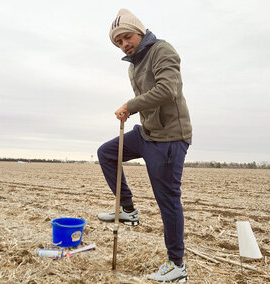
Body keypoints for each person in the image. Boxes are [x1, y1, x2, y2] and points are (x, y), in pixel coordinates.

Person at [97, 8, 192, 282]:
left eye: (127, 37)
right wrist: (134, 109)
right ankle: (128, 209)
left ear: (139, 31)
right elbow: (148, 98)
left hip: (170, 137)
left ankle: (177, 266)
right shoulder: (133, 65)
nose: (124, 44)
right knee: (106, 153)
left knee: (167, 201)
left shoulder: (162, 50)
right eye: (118, 42)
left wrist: (130, 105)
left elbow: (167, 90)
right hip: (148, 133)